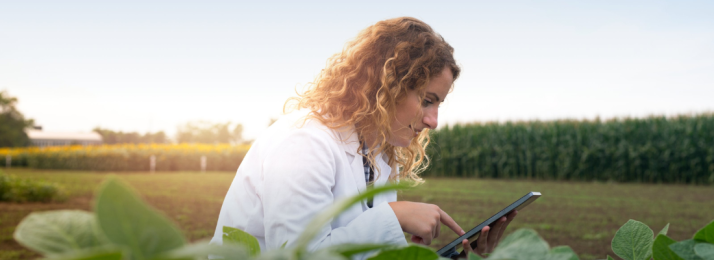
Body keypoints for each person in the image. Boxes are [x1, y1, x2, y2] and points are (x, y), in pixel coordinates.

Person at [211, 17, 516, 259]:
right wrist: (393, 217)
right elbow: (297, 256)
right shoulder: (303, 142)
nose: (433, 121)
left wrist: (461, 258)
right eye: (426, 100)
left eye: (438, 104)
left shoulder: (379, 154)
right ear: (387, 85)